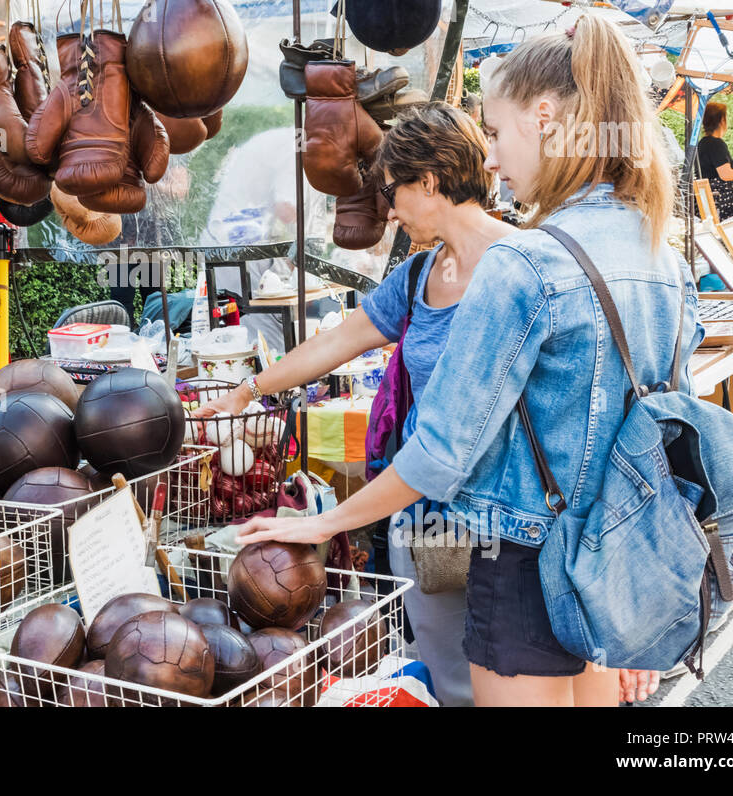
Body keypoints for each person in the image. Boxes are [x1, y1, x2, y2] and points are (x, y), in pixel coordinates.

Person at [236, 14, 688, 707]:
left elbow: (442, 449)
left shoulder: (525, 263)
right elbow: (668, 428)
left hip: (524, 563)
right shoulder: (658, 249)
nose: (496, 163)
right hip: (609, 559)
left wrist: (324, 523)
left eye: (499, 134)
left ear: (544, 117)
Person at [198, 102, 515, 706]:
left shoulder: (526, 265)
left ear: (431, 180)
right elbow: (338, 341)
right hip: (427, 513)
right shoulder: (420, 273)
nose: (389, 210)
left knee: (519, 682)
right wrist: (248, 389)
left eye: (395, 191)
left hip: (513, 519)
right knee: (451, 678)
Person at [698, 101, 733, 221]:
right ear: (722, 120)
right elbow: (726, 175)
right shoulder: (716, 144)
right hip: (722, 205)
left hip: (711, 200)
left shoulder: (703, 142)